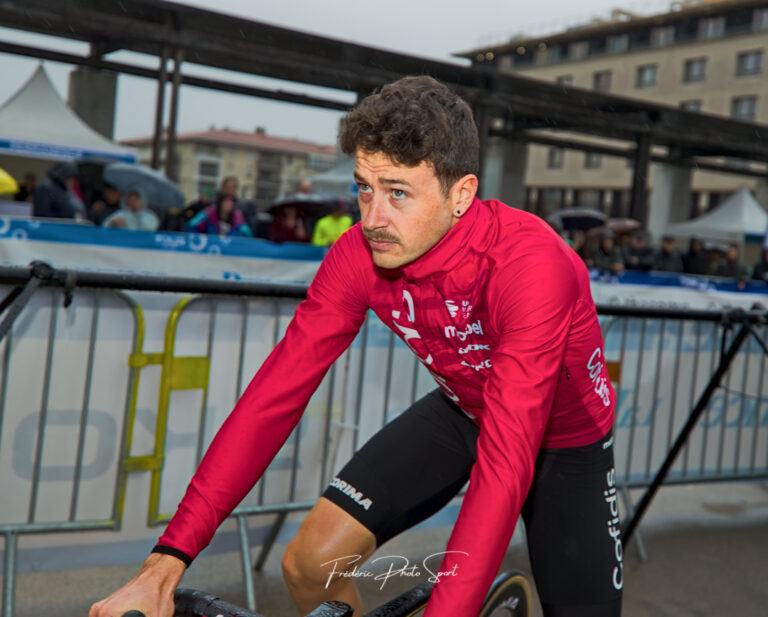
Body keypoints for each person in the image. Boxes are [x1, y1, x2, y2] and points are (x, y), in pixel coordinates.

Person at [90, 76, 620, 617]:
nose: (372, 218)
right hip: (463, 409)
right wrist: (165, 563)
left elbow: (505, 463)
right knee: (311, 564)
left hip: (564, 437)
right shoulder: (358, 256)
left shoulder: (529, 268)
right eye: (364, 187)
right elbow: (271, 399)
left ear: (460, 193)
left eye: (397, 192)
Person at [187, 193, 253, 237]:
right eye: (226, 203)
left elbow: (247, 234)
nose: (229, 206)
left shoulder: (237, 216)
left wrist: (228, 235)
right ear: (220, 204)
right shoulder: (209, 212)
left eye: (231, 203)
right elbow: (191, 226)